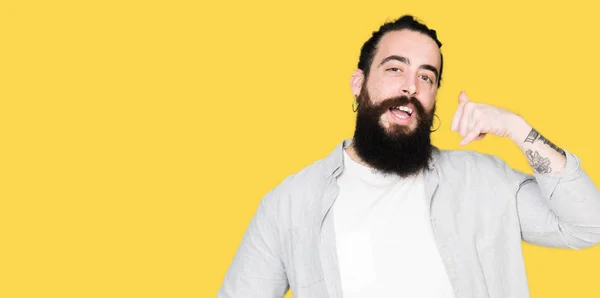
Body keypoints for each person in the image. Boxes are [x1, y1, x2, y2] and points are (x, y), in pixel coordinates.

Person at [217, 15, 600, 298]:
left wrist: (517, 128)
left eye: (426, 77)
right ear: (359, 83)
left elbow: (589, 225)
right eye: (395, 68)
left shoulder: (485, 181)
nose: (410, 88)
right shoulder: (289, 204)